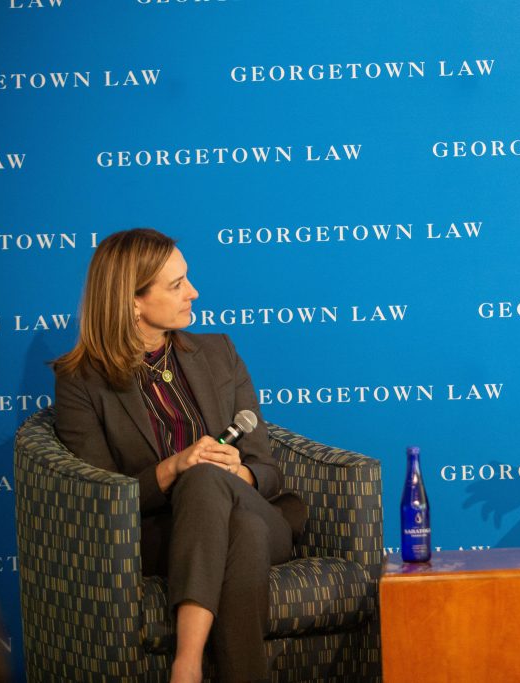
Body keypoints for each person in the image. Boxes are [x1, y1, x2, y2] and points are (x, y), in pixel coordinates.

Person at [54, 228, 304, 683]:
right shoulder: (82, 382)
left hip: (262, 515)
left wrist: (241, 473)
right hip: (164, 537)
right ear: (132, 301)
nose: (194, 292)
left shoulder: (218, 352)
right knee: (236, 528)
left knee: (216, 485)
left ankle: (185, 664)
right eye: (176, 285)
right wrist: (174, 467)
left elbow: (267, 469)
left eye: (187, 278)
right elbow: (100, 500)